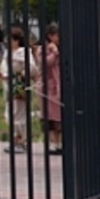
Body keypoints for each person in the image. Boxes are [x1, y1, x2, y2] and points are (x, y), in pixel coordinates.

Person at [0, 26, 35, 151]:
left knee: (19, 114)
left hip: (19, 85)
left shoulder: (24, 52)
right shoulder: (8, 53)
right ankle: (15, 139)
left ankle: (21, 141)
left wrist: (22, 74)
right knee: (9, 114)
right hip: (8, 86)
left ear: (16, 40)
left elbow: (32, 68)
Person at [40, 23, 62, 152]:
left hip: (58, 86)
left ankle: (58, 143)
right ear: (50, 36)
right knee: (49, 116)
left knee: (59, 116)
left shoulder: (60, 47)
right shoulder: (43, 49)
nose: (59, 37)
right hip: (48, 87)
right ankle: (52, 143)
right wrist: (54, 52)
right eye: (56, 35)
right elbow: (45, 63)